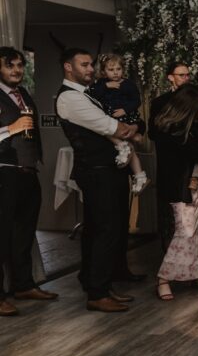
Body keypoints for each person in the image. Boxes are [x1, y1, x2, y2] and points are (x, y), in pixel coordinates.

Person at [56, 48, 138, 312]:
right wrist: (131, 129)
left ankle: (96, 283)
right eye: (84, 64)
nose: (91, 69)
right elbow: (114, 127)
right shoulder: (70, 98)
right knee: (105, 230)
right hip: (96, 170)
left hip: (105, 169)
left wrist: (131, 127)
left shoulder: (87, 94)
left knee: (98, 229)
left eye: (91, 64)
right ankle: (97, 293)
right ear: (68, 67)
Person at [0, 47, 56, 316]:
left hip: (27, 172)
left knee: (23, 233)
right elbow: (13, 129)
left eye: (20, 65)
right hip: (4, 172)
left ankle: (23, 285)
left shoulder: (23, 94)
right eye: (9, 65)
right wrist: (10, 129)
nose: (16, 70)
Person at [151, 85, 198, 300]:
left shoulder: (189, 127)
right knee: (186, 231)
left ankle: (197, 273)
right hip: (180, 187)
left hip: (195, 183)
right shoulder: (171, 130)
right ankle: (164, 278)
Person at [88, 53, 148, 194]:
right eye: (111, 70)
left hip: (126, 118)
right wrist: (106, 86)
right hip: (109, 119)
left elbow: (136, 101)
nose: (115, 72)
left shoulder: (128, 84)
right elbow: (91, 95)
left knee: (128, 143)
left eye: (118, 69)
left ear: (123, 70)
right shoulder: (100, 84)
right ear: (103, 72)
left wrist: (124, 110)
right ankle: (139, 173)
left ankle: (137, 172)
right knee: (104, 129)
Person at [149, 60, 191, 252]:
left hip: (190, 159)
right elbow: (152, 133)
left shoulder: (195, 99)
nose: (186, 78)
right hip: (168, 160)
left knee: (189, 205)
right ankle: (169, 249)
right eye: (181, 75)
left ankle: (190, 250)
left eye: (187, 75)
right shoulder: (160, 102)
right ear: (170, 77)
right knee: (168, 203)